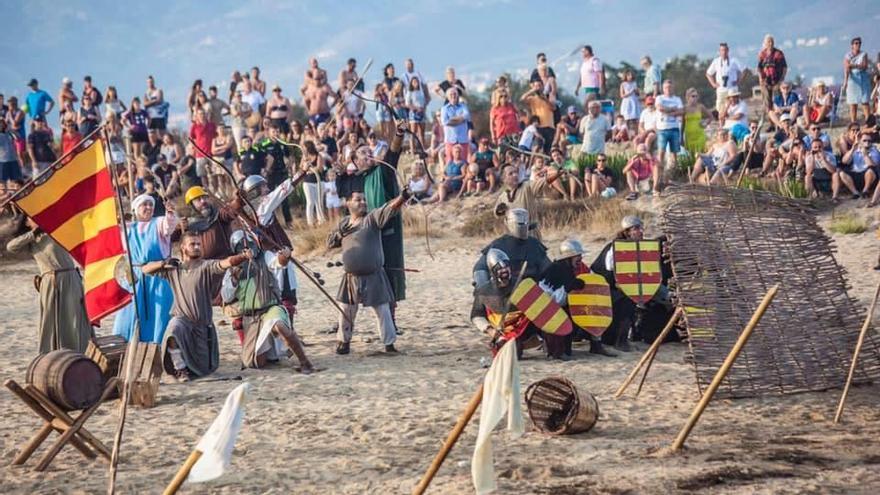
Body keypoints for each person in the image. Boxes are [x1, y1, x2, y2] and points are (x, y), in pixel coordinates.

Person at [148, 232, 248, 382]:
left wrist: (243, 256)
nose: (197, 247)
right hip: (182, 319)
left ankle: (189, 367)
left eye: (198, 244)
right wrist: (163, 264)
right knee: (173, 329)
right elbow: (145, 269)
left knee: (203, 369)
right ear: (183, 247)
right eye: (192, 244)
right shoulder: (173, 269)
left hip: (202, 326)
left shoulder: (206, 266)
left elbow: (226, 262)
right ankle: (180, 369)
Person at [327, 189, 411, 355]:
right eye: (358, 200)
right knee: (346, 310)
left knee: (383, 310)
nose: (363, 202)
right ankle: (344, 342)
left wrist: (402, 197)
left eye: (364, 199)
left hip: (374, 275)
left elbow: (389, 209)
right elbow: (330, 243)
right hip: (351, 277)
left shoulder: (372, 218)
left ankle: (389, 344)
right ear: (348, 203)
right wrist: (340, 233)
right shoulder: (344, 224)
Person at [221, 231, 314, 373]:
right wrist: (234, 278)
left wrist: (284, 256)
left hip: (270, 308)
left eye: (250, 244)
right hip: (251, 317)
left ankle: (305, 362)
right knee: (256, 362)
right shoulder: (232, 269)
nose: (248, 248)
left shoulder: (265, 257)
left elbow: (278, 262)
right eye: (242, 246)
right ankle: (268, 350)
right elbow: (226, 297)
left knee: (279, 326)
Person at [7, 215, 93, 353]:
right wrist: (34, 233)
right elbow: (11, 247)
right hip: (52, 281)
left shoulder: (56, 231)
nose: (37, 219)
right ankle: (54, 353)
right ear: (27, 223)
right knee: (52, 318)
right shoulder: (33, 239)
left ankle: (80, 351)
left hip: (71, 277)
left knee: (76, 316)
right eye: (32, 218)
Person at [113, 194, 178, 344]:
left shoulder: (159, 223)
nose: (148, 207)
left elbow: (169, 226)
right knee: (130, 313)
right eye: (144, 205)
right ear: (136, 209)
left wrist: (169, 213)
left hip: (158, 275)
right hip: (134, 275)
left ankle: (158, 345)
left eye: (151, 205)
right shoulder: (127, 228)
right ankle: (126, 344)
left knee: (159, 311)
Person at [538, 239, 617, 357]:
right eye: (577, 255)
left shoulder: (581, 268)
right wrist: (567, 289)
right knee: (564, 351)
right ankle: (551, 346)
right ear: (568, 257)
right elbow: (549, 300)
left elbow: (594, 282)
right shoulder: (554, 271)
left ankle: (596, 344)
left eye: (580, 255)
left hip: (573, 308)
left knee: (595, 309)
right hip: (556, 311)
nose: (580, 258)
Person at [494, 163, 558, 241]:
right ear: (504, 179)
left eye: (516, 172)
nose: (515, 175)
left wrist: (558, 173)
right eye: (511, 174)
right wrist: (500, 210)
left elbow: (543, 181)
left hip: (531, 235)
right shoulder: (502, 197)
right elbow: (497, 213)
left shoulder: (527, 187)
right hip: (513, 238)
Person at [181, 186, 238, 259]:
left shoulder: (219, 215)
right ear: (192, 205)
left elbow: (230, 211)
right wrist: (179, 227)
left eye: (204, 198)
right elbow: (171, 235)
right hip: (203, 264)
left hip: (228, 259)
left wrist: (238, 201)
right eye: (198, 199)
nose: (203, 201)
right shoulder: (188, 225)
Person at [654, 79, 684, 175]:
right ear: (663, 89)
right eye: (666, 87)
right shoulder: (659, 98)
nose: (668, 89)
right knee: (661, 152)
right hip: (662, 129)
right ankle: (660, 173)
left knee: (674, 153)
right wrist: (673, 109)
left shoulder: (677, 99)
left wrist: (669, 112)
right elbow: (660, 108)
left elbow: (681, 111)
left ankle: (673, 173)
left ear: (673, 88)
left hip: (674, 128)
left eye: (670, 87)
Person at [705, 42, 745, 114]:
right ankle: (721, 120)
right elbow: (708, 73)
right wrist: (713, 84)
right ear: (719, 51)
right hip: (721, 89)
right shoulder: (716, 61)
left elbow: (743, 70)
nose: (724, 52)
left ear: (728, 50)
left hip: (731, 89)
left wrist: (738, 81)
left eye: (725, 50)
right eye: (722, 50)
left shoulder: (733, 60)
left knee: (732, 106)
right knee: (720, 108)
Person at [842, 134, 880, 204]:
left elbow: (873, 165)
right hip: (855, 173)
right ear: (860, 141)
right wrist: (852, 149)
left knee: (870, 170)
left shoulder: (874, 151)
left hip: (868, 176)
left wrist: (865, 155)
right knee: (842, 173)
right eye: (864, 140)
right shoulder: (855, 150)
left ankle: (865, 191)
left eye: (869, 141)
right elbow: (844, 161)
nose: (867, 142)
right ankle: (855, 192)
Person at [520, 80, 556, 154]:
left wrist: (544, 99)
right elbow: (522, 99)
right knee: (537, 147)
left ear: (543, 86)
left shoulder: (549, 97)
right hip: (538, 126)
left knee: (547, 149)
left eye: (539, 85)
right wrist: (532, 90)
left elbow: (553, 108)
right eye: (536, 86)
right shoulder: (532, 99)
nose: (538, 87)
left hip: (549, 126)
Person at [757, 35, 788, 113]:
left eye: (772, 42)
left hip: (777, 81)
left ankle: (777, 117)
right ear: (765, 43)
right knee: (767, 102)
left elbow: (784, 67)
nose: (770, 43)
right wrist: (760, 78)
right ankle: (769, 117)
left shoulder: (778, 53)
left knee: (776, 101)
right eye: (768, 42)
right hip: (765, 80)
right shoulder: (762, 54)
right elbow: (759, 68)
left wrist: (782, 79)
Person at [844, 37, 871, 123]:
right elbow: (846, 68)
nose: (858, 45)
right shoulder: (848, 55)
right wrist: (845, 81)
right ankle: (854, 122)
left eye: (859, 43)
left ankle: (868, 122)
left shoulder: (864, 54)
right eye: (856, 43)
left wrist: (853, 65)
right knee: (853, 103)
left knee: (865, 101)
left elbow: (865, 66)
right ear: (852, 45)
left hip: (863, 78)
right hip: (853, 79)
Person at [440, 88, 471, 162]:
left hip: (462, 139)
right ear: (448, 97)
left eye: (455, 94)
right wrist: (461, 120)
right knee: (450, 161)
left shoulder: (463, 106)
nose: (453, 96)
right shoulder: (444, 109)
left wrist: (452, 119)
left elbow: (467, 116)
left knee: (463, 161)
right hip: (450, 139)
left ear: (457, 95)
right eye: (451, 94)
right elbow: (445, 122)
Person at [683, 88, 710, 156]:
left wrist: (705, 123)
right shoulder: (684, 108)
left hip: (699, 134)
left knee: (700, 155)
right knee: (691, 156)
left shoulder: (701, 107)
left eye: (696, 96)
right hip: (689, 135)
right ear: (688, 97)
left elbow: (711, 117)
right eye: (693, 96)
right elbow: (683, 123)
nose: (695, 98)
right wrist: (681, 137)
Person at [0, 119, 23, 196]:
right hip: (2, 161)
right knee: (2, 181)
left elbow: (18, 138)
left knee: (16, 180)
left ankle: (16, 196)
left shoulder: (9, 133)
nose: (1, 125)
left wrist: (10, 129)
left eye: (2, 123)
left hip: (13, 160)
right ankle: (4, 197)